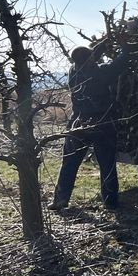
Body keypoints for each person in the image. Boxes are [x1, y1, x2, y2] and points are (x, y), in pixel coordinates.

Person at [50, 42, 129, 211]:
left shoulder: (73, 71)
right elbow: (122, 61)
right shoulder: (102, 73)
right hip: (102, 123)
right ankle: (110, 202)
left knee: (69, 162)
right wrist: (126, 44)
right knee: (107, 163)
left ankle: (60, 199)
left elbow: (88, 57)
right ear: (91, 59)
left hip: (77, 123)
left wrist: (104, 43)